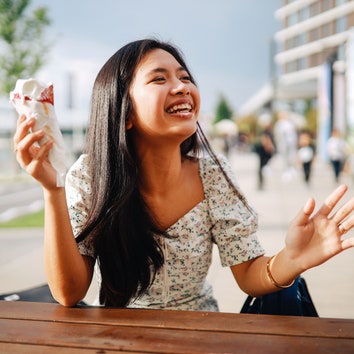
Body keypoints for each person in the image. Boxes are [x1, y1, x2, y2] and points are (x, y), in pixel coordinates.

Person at [13, 38, 354, 310]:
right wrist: (52, 189)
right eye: (159, 78)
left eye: (185, 77)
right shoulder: (88, 176)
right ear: (124, 113)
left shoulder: (214, 174)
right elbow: (68, 293)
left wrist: (292, 259)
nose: (182, 87)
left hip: (203, 337)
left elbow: (250, 275)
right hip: (117, 338)